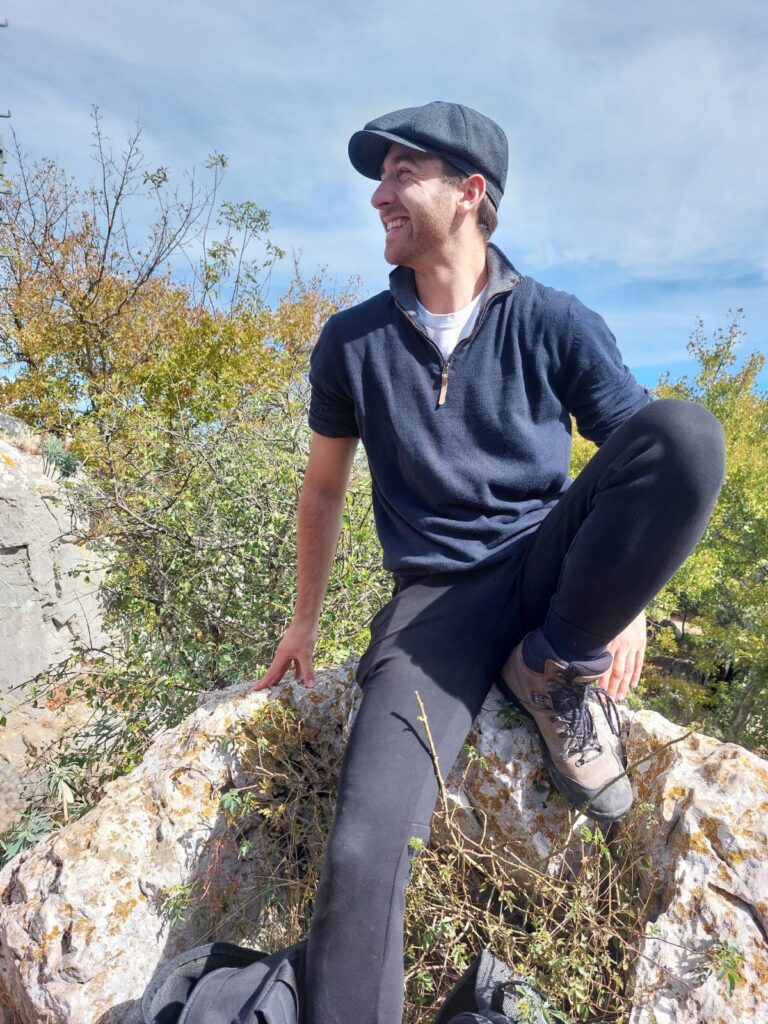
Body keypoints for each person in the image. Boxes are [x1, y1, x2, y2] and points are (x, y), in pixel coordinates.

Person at [254, 101, 725, 1024]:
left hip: (551, 572)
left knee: (688, 432)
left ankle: (551, 667)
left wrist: (624, 602)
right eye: (379, 178)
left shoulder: (555, 321)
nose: (380, 195)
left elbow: (643, 459)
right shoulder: (352, 342)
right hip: (434, 610)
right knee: (363, 850)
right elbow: (323, 491)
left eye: (402, 173)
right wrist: (303, 622)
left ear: (470, 192)